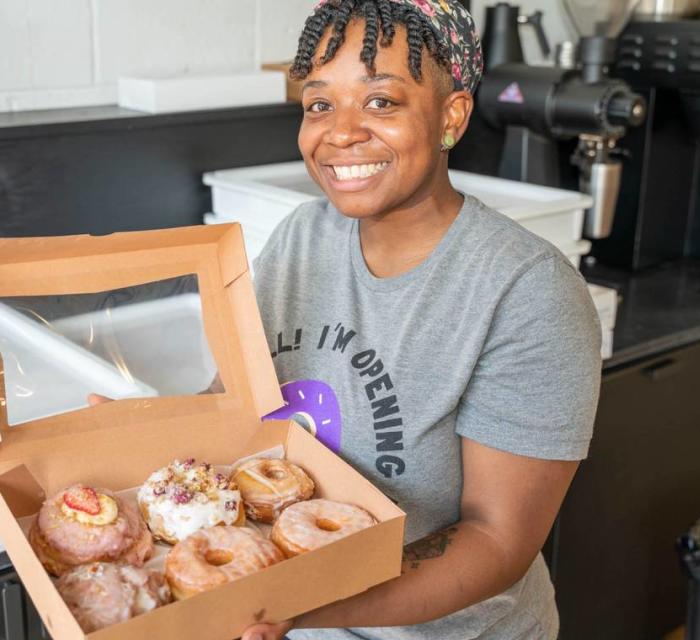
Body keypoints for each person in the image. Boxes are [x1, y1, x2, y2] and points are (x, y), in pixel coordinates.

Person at [238, 1, 602, 638]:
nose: (341, 132)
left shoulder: (527, 292)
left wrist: (299, 606)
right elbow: (241, 405)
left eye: (381, 101)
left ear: (450, 116)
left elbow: (496, 540)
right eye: (319, 104)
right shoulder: (299, 238)